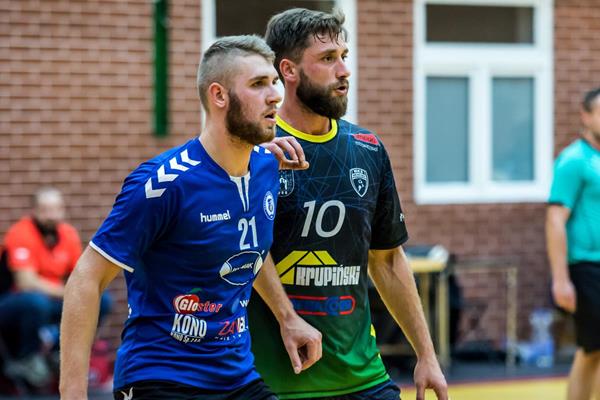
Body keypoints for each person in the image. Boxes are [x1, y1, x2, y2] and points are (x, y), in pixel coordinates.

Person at [59, 35, 322, 400]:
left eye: (274, 82)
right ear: (219, 96)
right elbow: (86, 277)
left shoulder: (265, 168)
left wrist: (287, 317)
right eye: (258, 84)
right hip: (162, 376)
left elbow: (246, 249)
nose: (275, 95)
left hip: (237, 375)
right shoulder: (164, 183)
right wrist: (72, 393)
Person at [248, 7, 448, 400]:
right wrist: (288, 317)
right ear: (288, 70)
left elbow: (387, 260)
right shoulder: (254, 150)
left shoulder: (367, 148)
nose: (344, 70)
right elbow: (243, 247)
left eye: (344, 56)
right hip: (277, 381)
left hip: (363, 376)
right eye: (327, 59)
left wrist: (426, 354)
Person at [0, 187, 112, 387]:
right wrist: (69, 292)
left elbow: (81, 276)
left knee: (101, 299)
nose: (51, 216)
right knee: (36, 302)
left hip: (52, 299)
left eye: (55, 209)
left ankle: (66, 351)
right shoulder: (20, 233)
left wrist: (83, 292)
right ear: (34, 211)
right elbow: (26, 283)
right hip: (14, 302)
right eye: (45, 210)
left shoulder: (68, 234)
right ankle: (27, 359)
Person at [547, 87, 600, 400]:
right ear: (585, 116)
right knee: (591, 348)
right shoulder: (573, 160)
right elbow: (555, 220)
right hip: (586, 266)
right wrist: (560, 279)